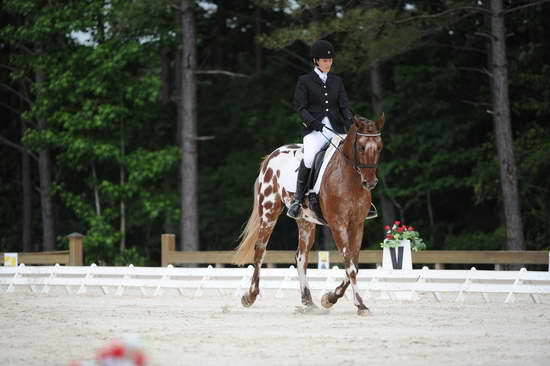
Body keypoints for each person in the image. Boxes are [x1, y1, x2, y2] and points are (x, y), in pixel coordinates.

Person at [287, 39, 377, 219]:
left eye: (330, 61)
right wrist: (313, 123)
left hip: (337, 128)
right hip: (314, 129)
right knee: (311, 157)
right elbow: (300, 108)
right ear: (315, 61)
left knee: (353, 155)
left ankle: (363, 200)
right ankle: (298, 200)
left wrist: (352, 124)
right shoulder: (304, 81)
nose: (328, 64)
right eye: (324, 61)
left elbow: (344, 106)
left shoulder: (337, 81)